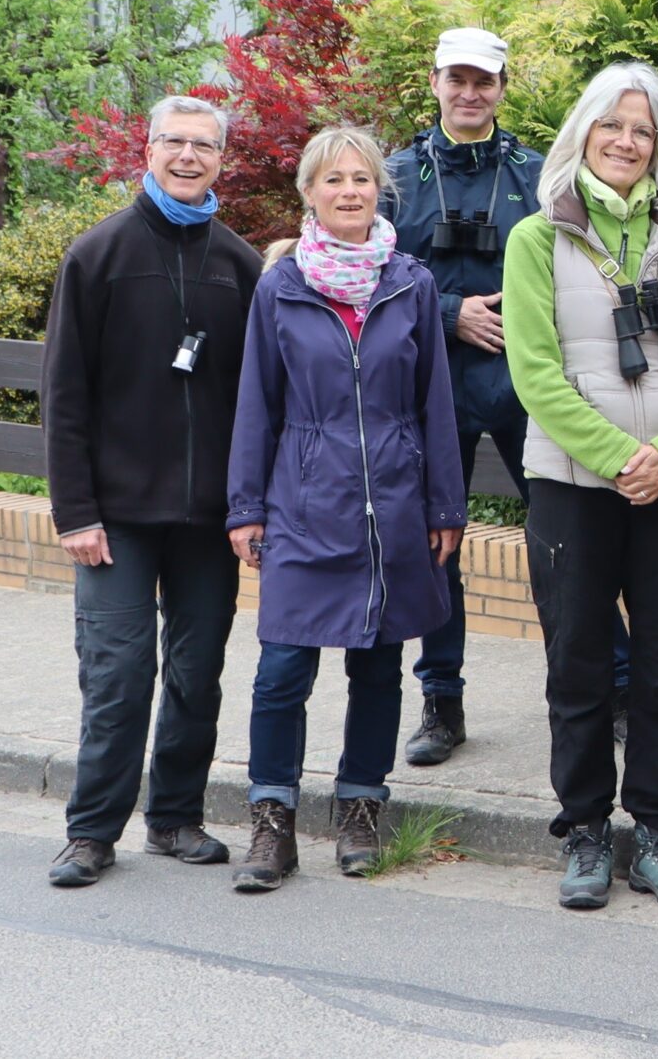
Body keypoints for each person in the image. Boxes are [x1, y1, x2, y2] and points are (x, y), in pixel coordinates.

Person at [505, 61, 658, 911]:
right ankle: (587, 831)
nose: (627, 142)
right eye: (613, 126)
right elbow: (535, 371)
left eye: (642, 130)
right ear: (584, 135)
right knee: (578, 663)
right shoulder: (538, 239)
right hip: (573, 485)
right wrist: (618, 457)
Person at [225, 126, 467, 890]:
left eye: (362, 178)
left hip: (393, 508)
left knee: (378, 667)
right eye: (334, 180)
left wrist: (445, 505)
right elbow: (256, 404)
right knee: (281, 672)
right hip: (302, 506)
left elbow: (435, 405)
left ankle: (361, 807)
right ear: (310, 194)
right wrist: (245, 506)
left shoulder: (412, 283)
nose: (350, 192)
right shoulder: (282, 285)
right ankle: (272, 819)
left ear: (380, 191)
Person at [40, 95, 264, 887]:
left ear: (220, 159)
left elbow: (255, 399)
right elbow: (64, 393)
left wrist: (250, 505)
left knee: (197, 673)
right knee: (118, 673)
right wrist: (75, 511)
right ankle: (93, 830)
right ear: (149, 148)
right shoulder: (96, 255)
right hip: (115, 520)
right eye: (175, 141)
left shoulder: (240, 266)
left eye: (204, 145)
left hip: (209, 522)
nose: (188, 156)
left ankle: (174, 818)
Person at [383, 27, 612, 766]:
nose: (471, 93)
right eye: (458, 79)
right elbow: (374, 278)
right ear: (436, 82)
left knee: (568, 544)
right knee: (436, 546)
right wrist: (451, 312)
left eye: (484, 81)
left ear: (503, 87)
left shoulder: (541, 175)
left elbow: (575, 269)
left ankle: (615, 687)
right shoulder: (393, 176)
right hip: (434, 387)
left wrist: (514, 311)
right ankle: (440, 703)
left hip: (525, 384)